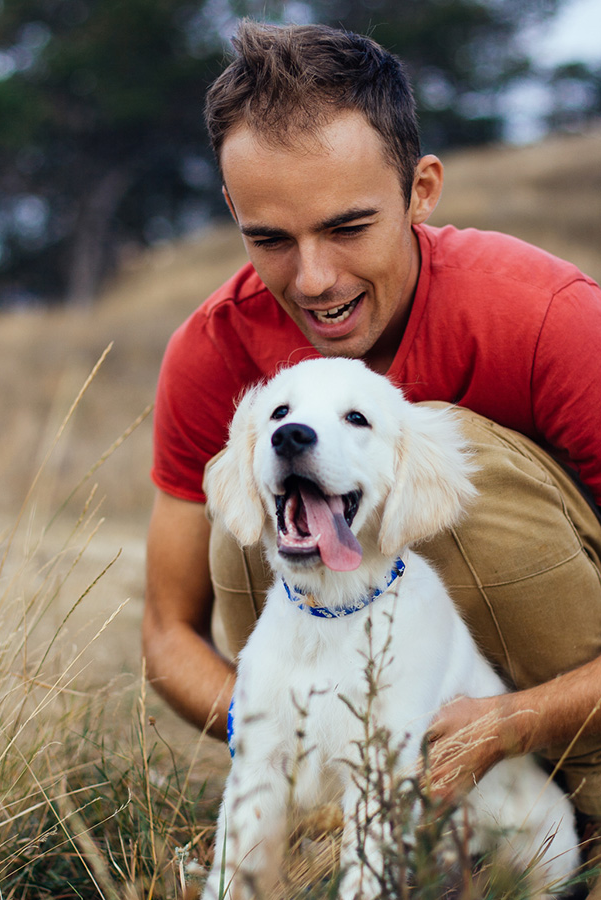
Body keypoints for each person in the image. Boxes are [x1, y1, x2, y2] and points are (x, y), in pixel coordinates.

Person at [143, 19, 601, 858]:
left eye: (348, 227)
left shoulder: (547, 318)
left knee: (447, 454)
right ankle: (345, 828)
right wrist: (281, 736)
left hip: (566, 723)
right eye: (270, 239)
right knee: (266, 480)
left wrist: (512, 722)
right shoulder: (213, 353)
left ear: (422, 189)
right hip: (358, 759)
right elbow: (169, 631)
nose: (313, 280)